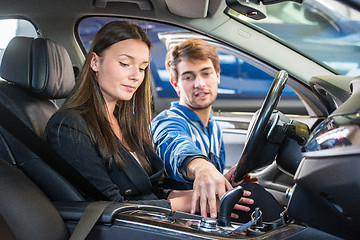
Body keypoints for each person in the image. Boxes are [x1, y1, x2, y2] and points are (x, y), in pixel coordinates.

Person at [46, 21, 202, 212]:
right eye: (125, 63)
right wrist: (189, 202)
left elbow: (147, 191)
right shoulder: (69, 126)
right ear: (95, 62)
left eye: (143, 68)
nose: (136, 76)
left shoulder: (125, 121)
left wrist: (211, 190)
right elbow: (111, 207)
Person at [151, 38, 284, 221]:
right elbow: (174, 144)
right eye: (189, 77)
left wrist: (224, 181)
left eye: (206, 73)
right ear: (175, 84)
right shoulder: (169, 121)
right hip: (180, 221)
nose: (199, 84)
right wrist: (201, 167)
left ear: (218, 75)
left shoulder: (213, 127)